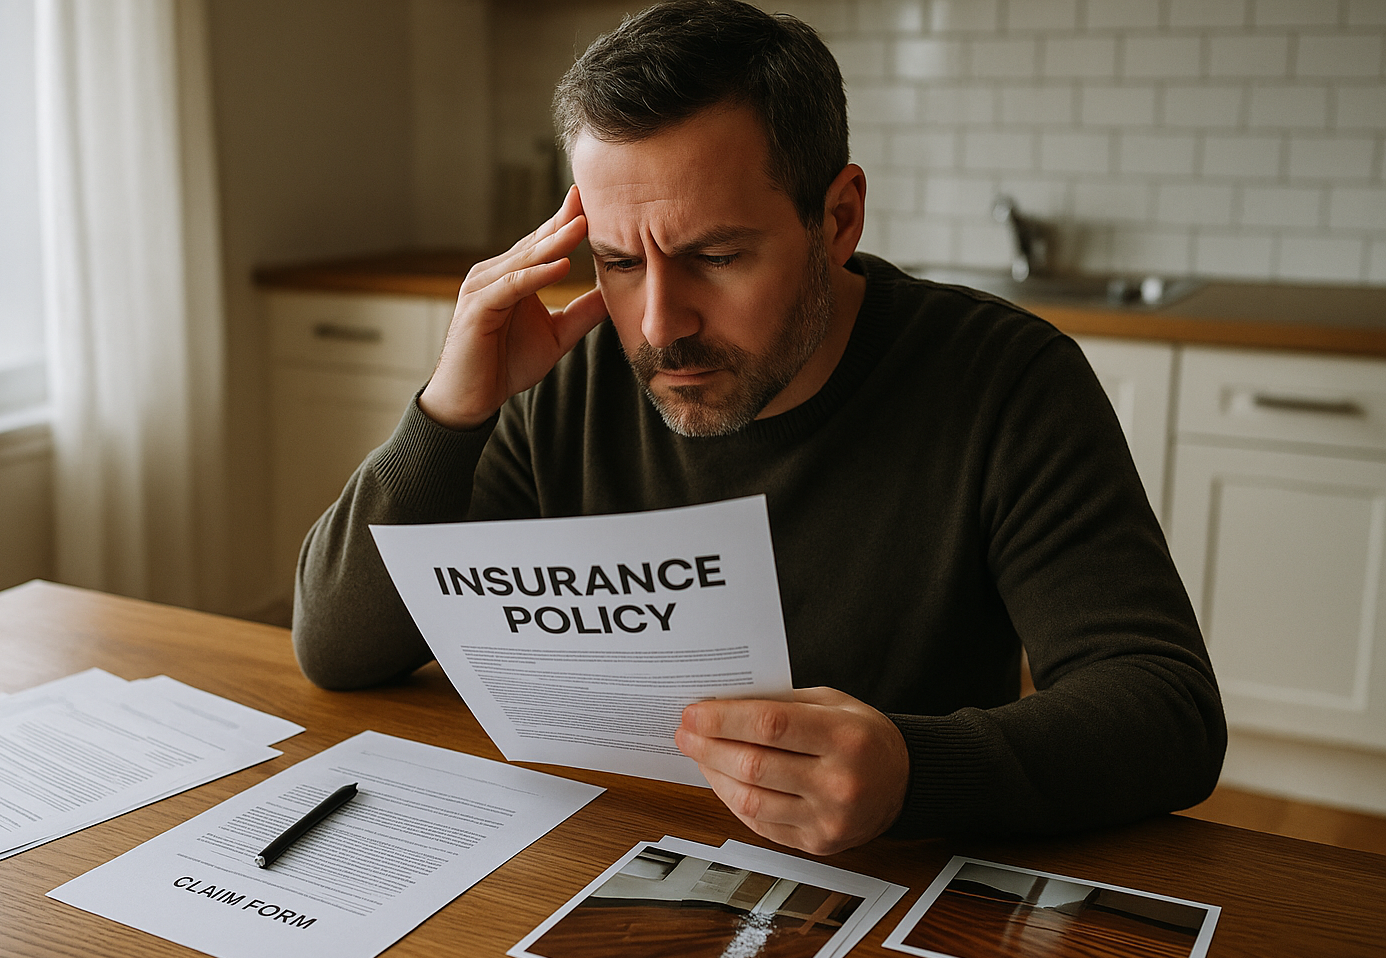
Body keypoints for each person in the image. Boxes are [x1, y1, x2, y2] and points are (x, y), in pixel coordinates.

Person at [292, 0, 1225, 855]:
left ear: (839, 218)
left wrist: (914, 770)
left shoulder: (1005, 380)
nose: (660, 325)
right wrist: (447, 417)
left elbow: (1164, 707)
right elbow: (337, 648)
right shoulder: (569, 378)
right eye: (618, 262)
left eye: (718, 255)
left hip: (895, 888)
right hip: (613, 849)